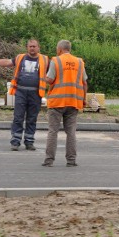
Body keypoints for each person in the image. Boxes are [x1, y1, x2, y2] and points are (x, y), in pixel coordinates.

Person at [0, 39, 49, 151]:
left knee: (32, 119)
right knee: (18, 117)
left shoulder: (45, 59)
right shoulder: (20, 58)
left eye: (34, 46)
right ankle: (15, 142)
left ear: (38, 48)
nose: (32, 48)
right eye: (30, 46)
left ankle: (29, 142)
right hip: (21, 92)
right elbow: (7, 62)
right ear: (27, 47)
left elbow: (55, 69)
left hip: (35, 93)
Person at [42, 40, 88, 168]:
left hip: (57, 102)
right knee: (71, 132)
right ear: (69, 49)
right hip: (73, 102)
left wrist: (42, 77)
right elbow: (84, 83)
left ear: (60, 49)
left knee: (53, 132)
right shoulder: (79, 62)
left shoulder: (56, 61)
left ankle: (49, 160)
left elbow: (50, 79)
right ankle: (71, 160)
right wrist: (83, 99)